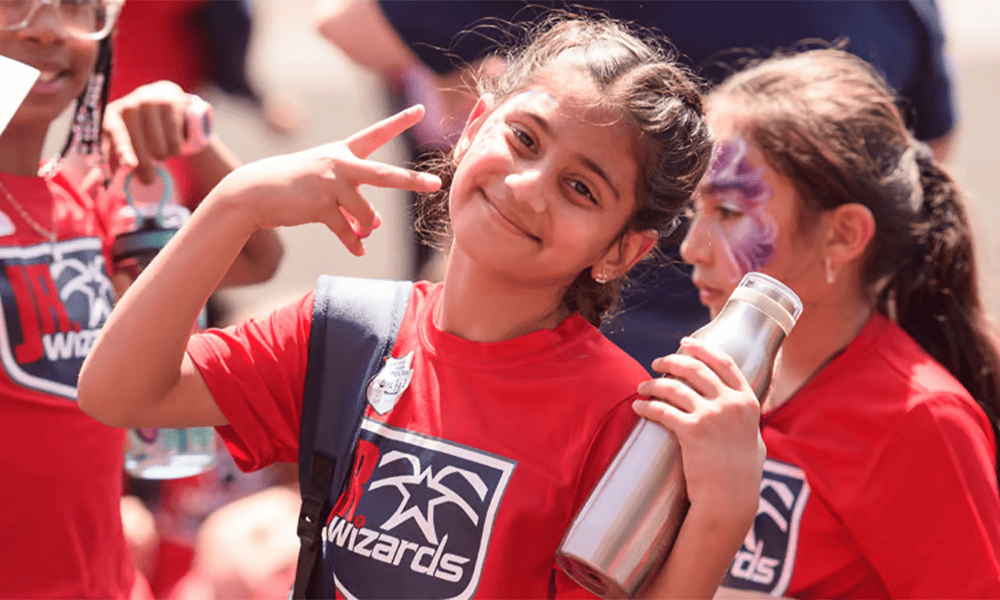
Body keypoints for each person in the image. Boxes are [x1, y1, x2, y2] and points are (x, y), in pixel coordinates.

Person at [80, 14, 767, 599]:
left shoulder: (620, 414)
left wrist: (724, 510)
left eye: (581, 189)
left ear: (621, 250)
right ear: (472, 126)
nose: (528, 188)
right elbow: (120, 392)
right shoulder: (348, 331)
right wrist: (236, 203)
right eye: (524, 139)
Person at [315, 0, 958, 371]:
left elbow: (349, 25)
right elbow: (927, 165)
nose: (694, 240)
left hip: (600, 333)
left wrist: (485, 90)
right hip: (808, 342)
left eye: (729, 206)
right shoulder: (903, 9)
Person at [681, 48, 1000, 598]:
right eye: (693, 211)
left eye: (728, 212)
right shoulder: (710, 374)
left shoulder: (922, 422)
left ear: (844, 235)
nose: (690, 247)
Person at [0, 0, 282, 597]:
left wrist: (190, 133)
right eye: (14, 4)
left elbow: (257, 258)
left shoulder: (93, 199)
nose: (50, 28)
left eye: (77, 7)